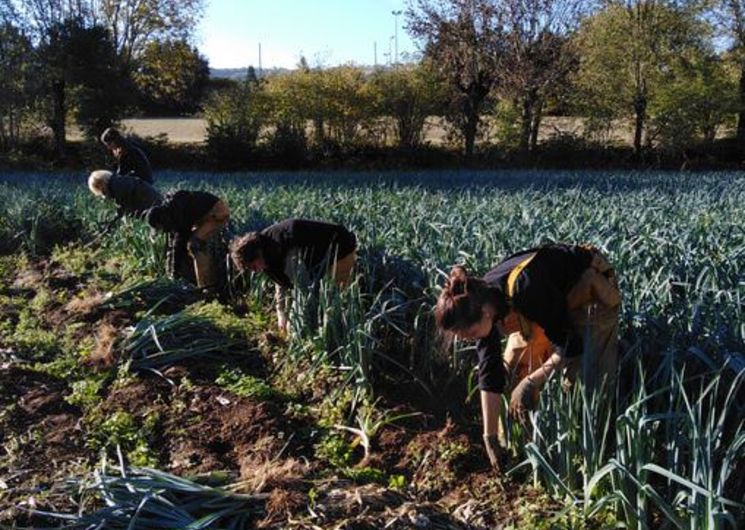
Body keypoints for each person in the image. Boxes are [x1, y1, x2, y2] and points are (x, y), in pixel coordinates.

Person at [434, 243, 621, 469]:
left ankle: (587, 462)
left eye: (470, 334)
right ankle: (522, 454)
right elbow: (489, 372)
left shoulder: (525, 288)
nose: (470, 340)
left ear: (485, 314)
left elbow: (570, 346)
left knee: (581, 385)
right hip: (546, 301)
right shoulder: (481, 301)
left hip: (588, 288)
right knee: (514, 367)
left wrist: (531, 382)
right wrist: (489, 437)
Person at [229, 218, 357, 332]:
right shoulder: (265, 254)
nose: (255, 271)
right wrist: (281, 317)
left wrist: (294, 326)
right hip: (315, 258)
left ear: (257, 254)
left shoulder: (286, 250)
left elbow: (304, 290)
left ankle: (341, 331)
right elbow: (280, 285)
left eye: (253, 267)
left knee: (335, 296)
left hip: (339, 246)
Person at [145, 190, 230, 289]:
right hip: (204, 217)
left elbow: (179, 243)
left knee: (194, 245)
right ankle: (196, 280)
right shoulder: (171, 213)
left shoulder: (178, 214)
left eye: (160, 227)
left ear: (162, 220)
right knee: (189, 247)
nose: (162, 230)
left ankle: (206, 286)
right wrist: (170, 270)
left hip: (217, 213)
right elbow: (172, 244)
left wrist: (174, 272)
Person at [87, 170, 162, 220]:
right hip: (154, 203)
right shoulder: (117, 181)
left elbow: (123, 208)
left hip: (152, 207)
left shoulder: (116, 187)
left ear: (101, 184)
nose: (103, 194)